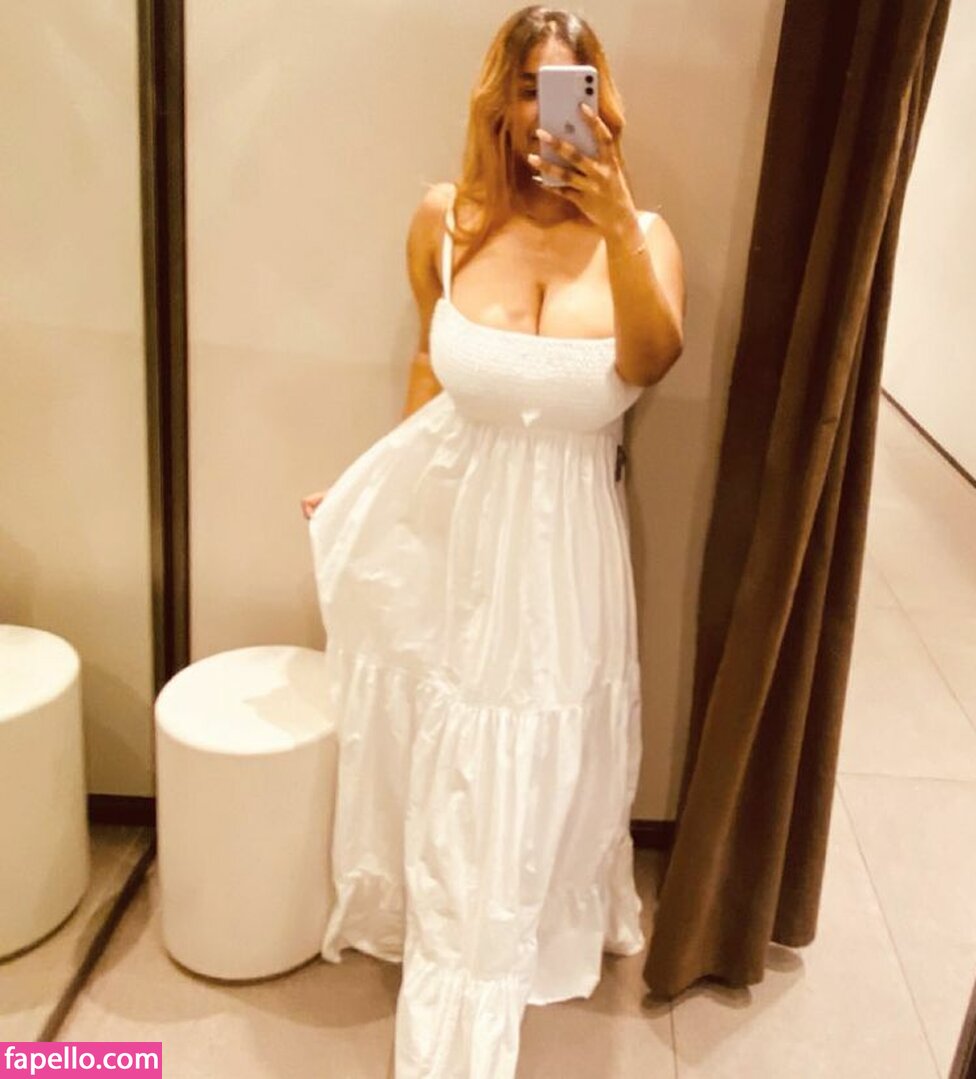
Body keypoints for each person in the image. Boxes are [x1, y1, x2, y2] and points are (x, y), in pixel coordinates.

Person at [302, 6, 685, 1076]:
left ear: (601, 101)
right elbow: (433, 374)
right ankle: (460, 936)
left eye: (569, 88)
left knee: (548, 732)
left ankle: (536, 916)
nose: (546, 112)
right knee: (464, 736)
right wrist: (372, 488)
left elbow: (653, 361)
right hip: (464, 543)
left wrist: (615, 217)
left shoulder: (646, 237)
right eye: (529, 88)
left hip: (568, 550)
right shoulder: (447, 220)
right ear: (499, 103)